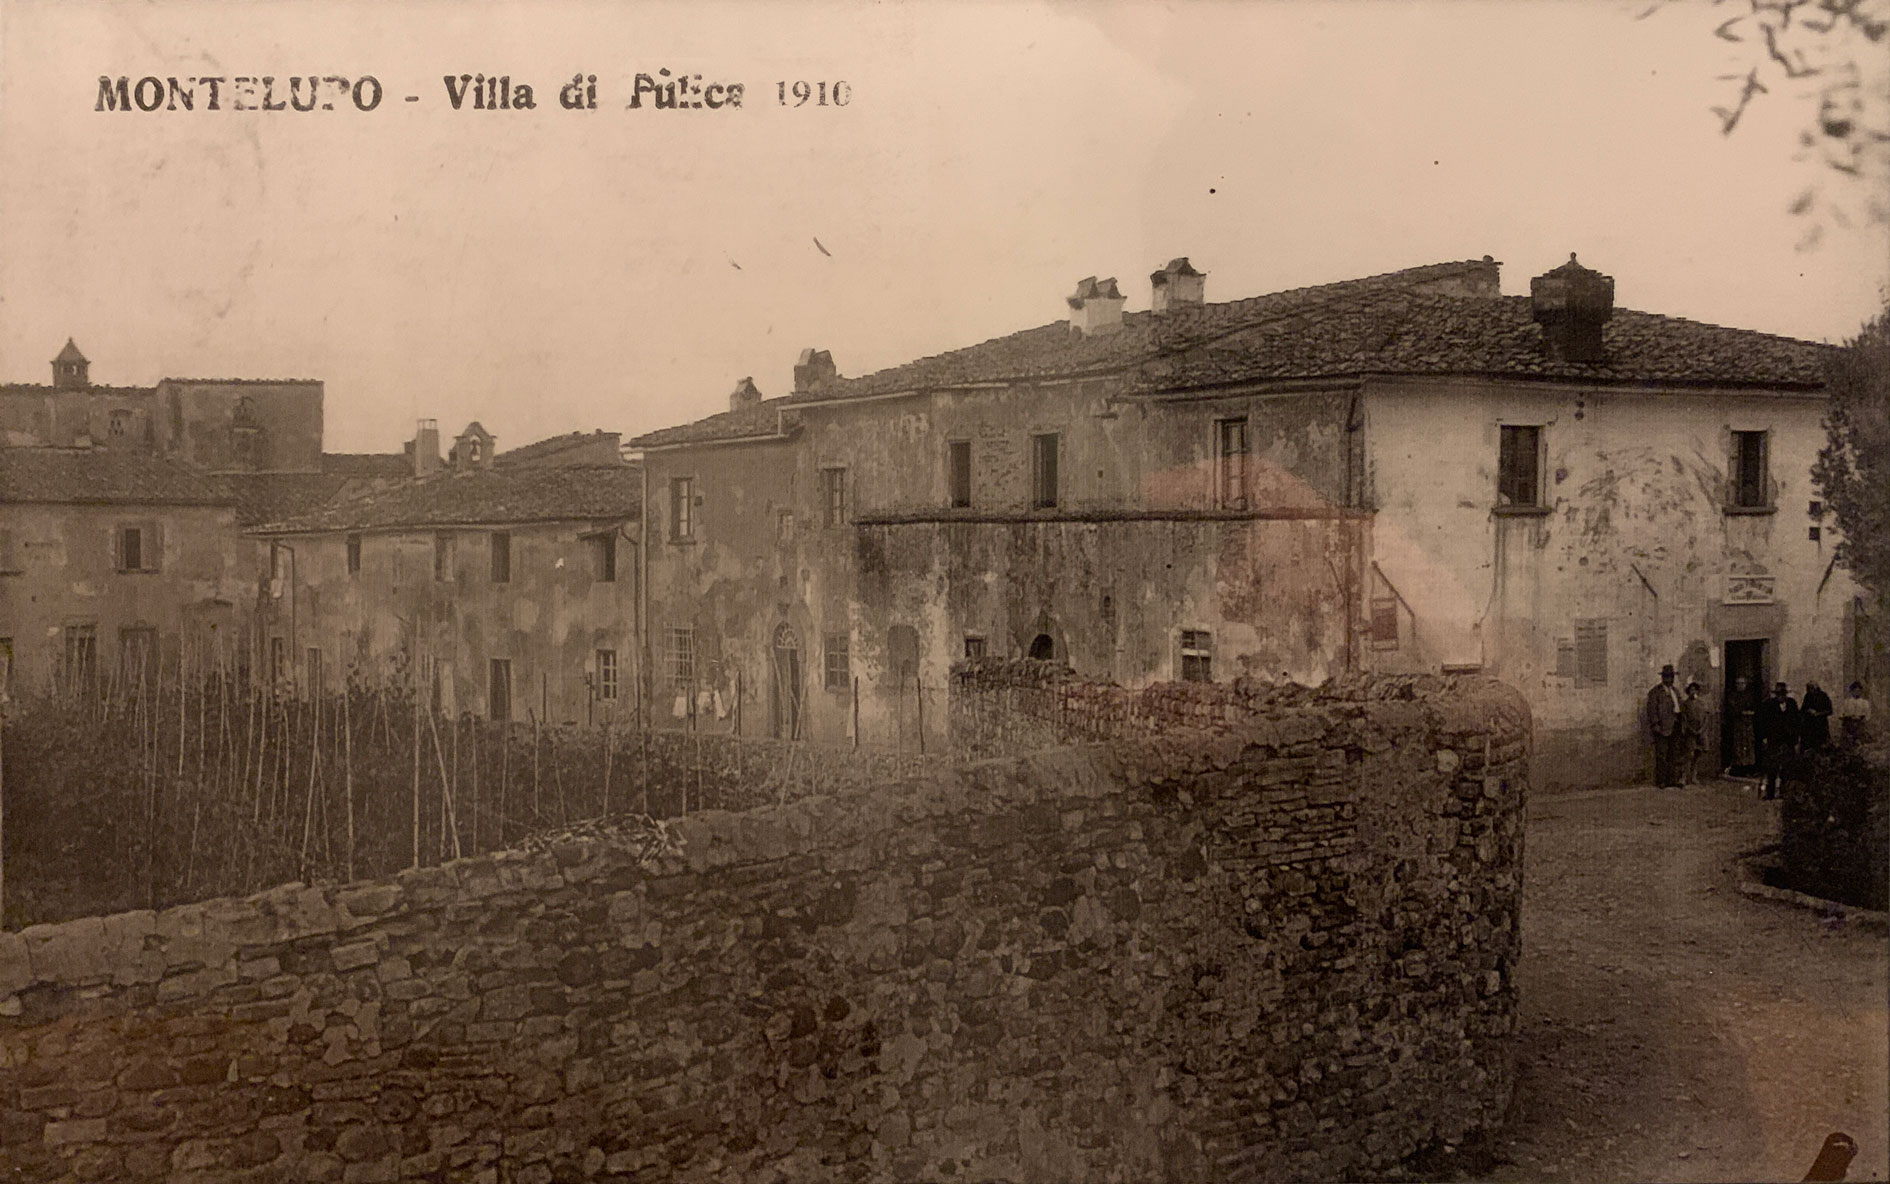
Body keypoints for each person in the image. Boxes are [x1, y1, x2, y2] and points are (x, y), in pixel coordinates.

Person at [1754, 681, 1800, 800]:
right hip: (1773, 740)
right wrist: (1764, 737)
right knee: (1772, 768)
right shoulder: (1769, 705)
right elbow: (1762, 722)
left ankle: (1784, 792)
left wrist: (1795, 738)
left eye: (1783, 694)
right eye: (1779, 694)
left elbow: (1797, 722)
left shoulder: (1792, 704)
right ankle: (1770, 793)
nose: (1781, 697)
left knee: (1787, 767)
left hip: (1788, 740)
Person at [1644, 664, 1684, 788]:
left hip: (1675, 725)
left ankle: (1672, 779)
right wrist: (1656, 724)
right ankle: (1661, 781)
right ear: (1662, 678)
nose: (1669, 679)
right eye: (1666, 676)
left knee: (1674, 753)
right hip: (1662, 727)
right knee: (1662, 755)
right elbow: (1652, 710)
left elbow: (1680, 706)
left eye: (1671, 677)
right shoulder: (1655, 692)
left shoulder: (1675, 691)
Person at [1679, 680, 1710, 786]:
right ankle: (1684, 776)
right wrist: (1690, 730)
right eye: (1691, 690)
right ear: (1688, 692)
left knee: (1698, 754)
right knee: (1689, 755)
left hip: (1701, 733)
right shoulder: (1685, 704)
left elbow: (1706, 718)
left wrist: (1702, 730)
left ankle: (1694, 776)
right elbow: (1684, 719)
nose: (1693, 692)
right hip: (1690, 733)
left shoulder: (1702, 703)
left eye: (1695, 690)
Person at [1727, 674, 1759, 775]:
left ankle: (1749, 768)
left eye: (1742, 683)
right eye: (1738, 684)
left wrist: (1750, 713)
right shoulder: (1733, 696)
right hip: (1738, 724)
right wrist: (1741, 712)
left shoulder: (1750, 696)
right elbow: (1732, 709)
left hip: (1748, 725)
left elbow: (1755, 708)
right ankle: (1738, 767)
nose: (1740, 685)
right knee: (1738, 746)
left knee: (1748, 745)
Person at [1800, 681, 1833, 749]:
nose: (1810, 690)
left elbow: (1829, 711)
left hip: (1821, 725)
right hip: (1809, 726)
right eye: (1809, 689)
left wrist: (1818, 713)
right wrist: (1808, 711)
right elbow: (1803, 709)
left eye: (1812, 688)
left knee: (1821, 746)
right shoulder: (1807, 696)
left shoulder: (1823, 696)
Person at [1838, 681, 1871, 748]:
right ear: (1851, 691)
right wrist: (1847, 717)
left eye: (1858, 691)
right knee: (1847, 744)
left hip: (1859, 724)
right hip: (1848, 724)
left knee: (1860, 742)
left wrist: (1862, 719)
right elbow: (1840, 714)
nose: (1856, 692)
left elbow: (1868, 715)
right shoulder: (1846, 702)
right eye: (1854, 690)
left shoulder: (1865, 702)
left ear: (1861, 691)